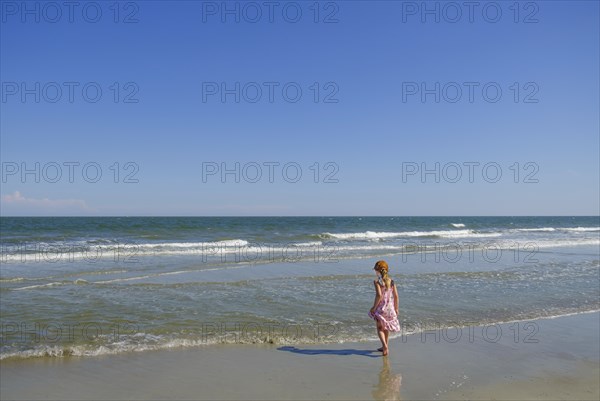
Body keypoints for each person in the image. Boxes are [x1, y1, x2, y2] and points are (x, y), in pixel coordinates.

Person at [369, 260, 400, 356]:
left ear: (377, 271)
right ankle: (385, 346)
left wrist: (373, 307)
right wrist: (396, 308)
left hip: (381, 308)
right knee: (386, 327)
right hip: (390, 309)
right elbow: (396, 296)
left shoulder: (377, 282)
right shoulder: (391, 281)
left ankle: (384, 346)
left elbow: (379, 295)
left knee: (380, 328)